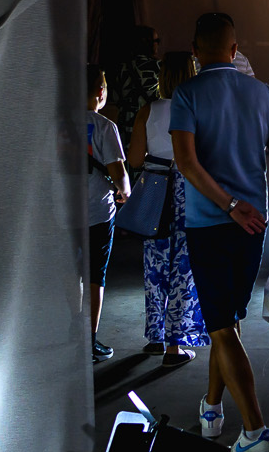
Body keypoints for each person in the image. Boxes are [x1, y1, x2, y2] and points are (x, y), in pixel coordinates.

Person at [168, 12, 269, 452]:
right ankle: (211, 408)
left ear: (195, 50)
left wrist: (225, 205)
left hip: (210, 225)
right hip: (255, 228)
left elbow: (186, 163)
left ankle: (256, 431)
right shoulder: (264, 94)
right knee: (228, 322)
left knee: (221, 325)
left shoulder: (186, 94)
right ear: (234, 48)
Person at [130, 49, 207, 365]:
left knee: (155, 266)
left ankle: (156, 337)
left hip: (155, 192)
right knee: (184, 269)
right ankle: (176, 346)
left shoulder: (147, 111)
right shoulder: (197, 109)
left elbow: (134, 160)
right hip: (188, 192)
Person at [86, 66, 130, 364]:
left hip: (61, 215)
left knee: (70, 277)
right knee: (94, 278)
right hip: (97, 212)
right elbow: (118, 172)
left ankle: (71, 336)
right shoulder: (104, 126)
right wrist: (125, 191)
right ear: (101, 93)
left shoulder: (54, 125)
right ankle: (89, 342)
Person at [110, 25, 162, 137]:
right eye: (156, 40)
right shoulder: (158, 67)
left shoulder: (122, 67)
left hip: (126, 125)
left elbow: (116, 97)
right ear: (149, 43)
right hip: (150, 123)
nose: (158, 44)